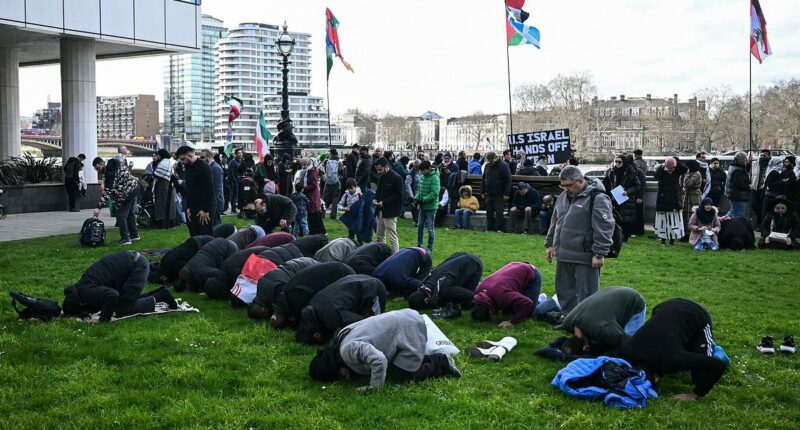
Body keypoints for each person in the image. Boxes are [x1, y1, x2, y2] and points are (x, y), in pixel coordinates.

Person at [308, 309, 461, 390]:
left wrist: (374, 386)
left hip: (409, 328)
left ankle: (442, 363)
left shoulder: (349, 350)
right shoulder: (341, 339)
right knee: (395, 368)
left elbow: (379, 360)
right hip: (402, 318)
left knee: (401, 376)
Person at [619, 299, 729, 401]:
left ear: (656, 379)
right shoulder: (630, 350)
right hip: (664, 307)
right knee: (681, 345)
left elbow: (718, 365)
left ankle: (718, 352)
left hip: (697, 314)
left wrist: (695, 394)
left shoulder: (670, 359)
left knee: (700, 376)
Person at [545, 166, 614, 314]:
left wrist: (599, 253)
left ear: (581, 181)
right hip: (563, 254)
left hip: (585, 256)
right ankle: (568, 318)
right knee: (564, 292)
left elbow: (604, 227)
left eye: (569, 185)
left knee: (586, 294)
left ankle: (584, 321)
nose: (565, 189)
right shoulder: (563, 197)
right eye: (562, 186)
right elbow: (555, 221)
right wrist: (550, 244)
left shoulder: (598, 198)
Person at [62, 251, 177, 322]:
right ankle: (161, 293)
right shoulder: (83, 286)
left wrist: (103, 319)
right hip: (134, 262)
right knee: (124, 301)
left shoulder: (87, 292)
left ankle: (159, 297)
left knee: (124, 309)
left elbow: (112, 296)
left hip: (136, 267)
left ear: (79, 305)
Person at [296, 274, 388, 345]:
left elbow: (361, 323)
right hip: (359, 280)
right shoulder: (313, 303)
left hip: (374, 289)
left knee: (375, 327)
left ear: (317, 334)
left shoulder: (332, 317)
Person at [559, 286, 646, 355]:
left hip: (633, 300)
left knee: (628, 350)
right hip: (612, 291)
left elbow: (628, 343)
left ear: (586, 347)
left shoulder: (602, 328)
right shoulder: (567, 322)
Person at [271, 262, 356, 329]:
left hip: (341, 274)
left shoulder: (297, 299)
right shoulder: (286, 294)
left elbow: (310, 314)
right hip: (338, 270)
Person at [471, 262, 543, 328]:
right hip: (514, 267)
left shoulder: (503, 295)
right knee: (508, 311)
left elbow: (527, 303)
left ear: (490, 311)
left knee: (529, 314)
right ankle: (533, 296)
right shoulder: (478, 291)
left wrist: (512, 322)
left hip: (531, 272)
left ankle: (546, 300)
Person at [408, 252, 482, 313]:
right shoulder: (424, 283)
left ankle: (482, 286)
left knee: (467, 302)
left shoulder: (444, 290)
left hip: (474, 263)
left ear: (426, 300)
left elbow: (469, 295)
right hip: (459, 255)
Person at [92, 156, 140, 244]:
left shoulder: (110, 173)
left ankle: (125, 238)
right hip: (134, 188)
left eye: (98, 168)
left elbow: (107, 191)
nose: (97, 171)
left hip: (126, 194)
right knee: (130, 214)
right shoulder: (115, 162)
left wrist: (98, 207)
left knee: (121, 215)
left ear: (101, 164)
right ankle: (134, 235)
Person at [175, 146, 215, 237]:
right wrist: (189, 207)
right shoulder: (188, 168)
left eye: (183, 159)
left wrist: (205, 210)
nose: (182, 162)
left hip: (203, 208)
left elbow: (208, 189)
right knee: (194, 235)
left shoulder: (203, 167)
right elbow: (190, 189)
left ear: (190, 155)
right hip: (193, 207)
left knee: (204, 236)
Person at [654, 157, 689, 245]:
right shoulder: (662, 171)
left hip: (674, 199)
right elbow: (656, 176)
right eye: (669, 168)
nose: (671, 169)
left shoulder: (677, 171)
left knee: (674, 221)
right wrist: (662, 167)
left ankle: (672, 240)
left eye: (673, 168)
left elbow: (685, 169)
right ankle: (663, 240)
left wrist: (676, 162)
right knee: (663, 221)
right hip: (663, 199)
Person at [605, 155, 641, 240]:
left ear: (623, 162)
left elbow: (637, 186)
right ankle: (616, 236)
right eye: (616, 162)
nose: (617, 164)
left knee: (625, 219)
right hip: (615, 197)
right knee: (615, 217)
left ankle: (625, 237)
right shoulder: (612, 172)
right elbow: (607, 183)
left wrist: (627, 191)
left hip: (626, 198)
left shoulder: (630, 172)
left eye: (619, 162)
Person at [373, 157, 404, 253]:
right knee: (379, 236)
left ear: (386, 166)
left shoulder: (397, 178)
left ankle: (396, 257)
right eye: (377, 170)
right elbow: (378, 190)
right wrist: (375, 198)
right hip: (380, 210)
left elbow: (399, 195)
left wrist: (384, 202)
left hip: (391, 211)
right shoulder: (381, 176)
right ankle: (382, 255)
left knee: (392, 237)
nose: (378, 172)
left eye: (380, 169)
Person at [481, 152, 511, 233]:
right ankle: (490, 228)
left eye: (491, 161)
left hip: (500, 193)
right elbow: (484, 179)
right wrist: (482, 191)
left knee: (499, 212)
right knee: (489, 212)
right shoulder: (487, 165)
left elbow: (508, 180)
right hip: (489, 193)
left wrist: (506, 193)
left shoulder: (504, 165)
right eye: (488, 161)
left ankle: (499, 228)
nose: (490, 163)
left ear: (495, 157)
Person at [414, 160, 439, 253]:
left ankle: (430, 247)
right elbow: (419, 190)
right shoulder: (422, 177)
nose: (421, 172)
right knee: (420, 226)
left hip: (431, 207)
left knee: (430, 228)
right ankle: (419, 245)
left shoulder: (435, 178)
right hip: (422, 206)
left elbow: (434, 193)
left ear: (428, 169)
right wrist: (416, 198)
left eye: (423, 170)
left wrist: (423, 199)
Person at [763, 156, 797, 221]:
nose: (784, 164)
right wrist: (782, 182)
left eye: (787, 162)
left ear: (792, 163)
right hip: (782, 197)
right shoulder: (777, 172)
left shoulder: (793, 173)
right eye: (784, 162)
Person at [151, 149, 176, 228]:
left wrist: (153, 172)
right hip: (167, 184)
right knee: (168, 203)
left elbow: (156, 174)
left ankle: (163, 223)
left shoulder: (164, 162)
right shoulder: (167, 162)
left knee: (162, 203)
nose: (157, 156)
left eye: (158, 155)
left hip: (163, 184)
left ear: (161, 155)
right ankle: (170, 222)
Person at [680, 160, 703, 241]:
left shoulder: (697, 174)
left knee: (691, 214)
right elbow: (682, 184)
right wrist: (682, 175)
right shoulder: (689, 174)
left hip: (694, 196)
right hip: (687, 195)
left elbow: (688, 184)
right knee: (685, 214)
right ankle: (685, 232)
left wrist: (686, 175)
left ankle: (691, 233)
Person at [200, 149, 224, 226]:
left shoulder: (215, 168)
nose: (201, 159)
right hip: (211, 201)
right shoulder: (210, 167)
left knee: (215, 226)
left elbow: (216, 188)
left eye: (202, 157)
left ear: (209, 156)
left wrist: (210, 203)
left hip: (215, 202)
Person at [725, 151, 750, 220]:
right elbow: (740, 184)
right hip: (738, 196)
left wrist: (748, 163)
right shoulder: (738, 170)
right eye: (745, 158)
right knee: (739, 215)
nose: (746, 159)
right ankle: (736, 226)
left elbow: (745, 170)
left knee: (733, 211)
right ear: (740, 159)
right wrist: (749, 187)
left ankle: (721, 222)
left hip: (733, 194)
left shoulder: (734, 166)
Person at [751, 149, 772, 225]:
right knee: (754, 204)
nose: (762, 157)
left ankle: (760, 223)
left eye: (764, 156)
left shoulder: (771, 165)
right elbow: (748, 172)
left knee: (763, 207)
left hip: (765, 189)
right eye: (761, 155)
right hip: (755, 187)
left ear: (769, 156)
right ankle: (760, 219)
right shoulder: (755, 164)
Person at [322, 148, 342, 220]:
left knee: (324, 199)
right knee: (335, 199)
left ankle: (322, 214)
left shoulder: (326, 161)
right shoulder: (339, 162)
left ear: (330, 153)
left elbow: (322, 167)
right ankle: (333, 215)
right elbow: (341, 171)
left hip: (328, 182)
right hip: (336, 182)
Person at [228, 148, 243, 213]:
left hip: (240, 180)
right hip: (235, 181)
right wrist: (234, 181)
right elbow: (231, 172)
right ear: (236, 154)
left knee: (239, 195)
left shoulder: (241, 161)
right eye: (239, 153)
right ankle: (233, 209)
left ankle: (239, 207)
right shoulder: (233, 162)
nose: (240, 154)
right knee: (235, 195)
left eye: (241, 153)